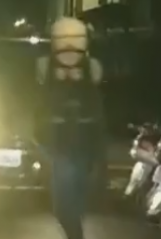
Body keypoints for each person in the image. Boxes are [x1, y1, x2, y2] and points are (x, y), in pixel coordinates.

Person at [37, 17, 104, 239]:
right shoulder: (45, 67)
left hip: (81, 147)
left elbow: (97, 108)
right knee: (63, 207)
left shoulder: (91, 68)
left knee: (71, 205)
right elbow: (37, 103)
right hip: (59, 147)